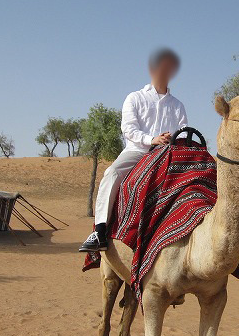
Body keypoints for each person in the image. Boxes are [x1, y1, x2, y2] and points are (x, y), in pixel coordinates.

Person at [79, 48, 188, 252]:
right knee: (112, 173)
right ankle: (100, 231)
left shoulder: (178, 106)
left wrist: (171, 140)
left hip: (167, 154)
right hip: (138, 151)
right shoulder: (135, 98)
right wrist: (152, 139)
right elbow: (128, 129)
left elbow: (182, 132)